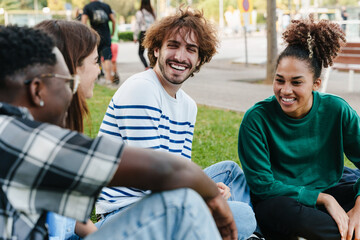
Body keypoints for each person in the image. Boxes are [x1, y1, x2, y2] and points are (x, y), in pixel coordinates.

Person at [0, 25, 238, 240]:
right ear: (37, 91)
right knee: (184, 206)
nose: (72, 93)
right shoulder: (19, 138)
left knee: (225, 179)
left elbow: (70, 221)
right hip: (128, 207)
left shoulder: (14, 132)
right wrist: (211, 196)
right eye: (68, 83)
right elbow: (166, 170)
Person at [98, 7, 256, 240]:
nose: (181, 57)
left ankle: (250, 236)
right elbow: (150, 179)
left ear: (199, 59)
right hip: (124, 214)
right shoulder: (142, 88)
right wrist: (205, 194)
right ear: (156, 49)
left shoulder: (187, 105)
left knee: (229, 172)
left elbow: (179, 168)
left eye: (191, 50)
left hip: (164, 204)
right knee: (242, 216)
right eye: (173, 45)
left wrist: (205, 189)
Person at [237, 17, 360, 240]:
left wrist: (359, 208)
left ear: (316, 84)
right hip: (285, 202)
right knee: (283, 213)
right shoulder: (256, 119)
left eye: (296, 82)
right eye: (279, 80)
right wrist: (323, 199)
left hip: (331, 185)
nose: (285, 90)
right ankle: (346, 232)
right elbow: (262, 186)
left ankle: (345, 228)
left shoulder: (337, 110)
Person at [34, 19, 102, 239]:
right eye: (95, 61)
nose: (99, 70)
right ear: (72, 67)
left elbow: (75, 219)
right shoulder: (42, 139)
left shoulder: (61, 125)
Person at [82, 0, 116, 84]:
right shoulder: (106, 6)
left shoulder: (87, 7)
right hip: (106, 36)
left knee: (95, 58)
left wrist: (87, 35)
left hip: (95, 37)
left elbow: (83, 23)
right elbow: (113, 20)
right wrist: (112, 33)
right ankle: (108, 79)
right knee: (107, 57)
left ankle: (96, 78)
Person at [133, 0, 155, 69]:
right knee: (151, 51)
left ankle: (146, 66)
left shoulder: (140, 13)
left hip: (144, 33)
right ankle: (152, 66)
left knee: (140, 53)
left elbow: (137, 25)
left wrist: (135, 36)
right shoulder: (153, 12)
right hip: (152, 33)